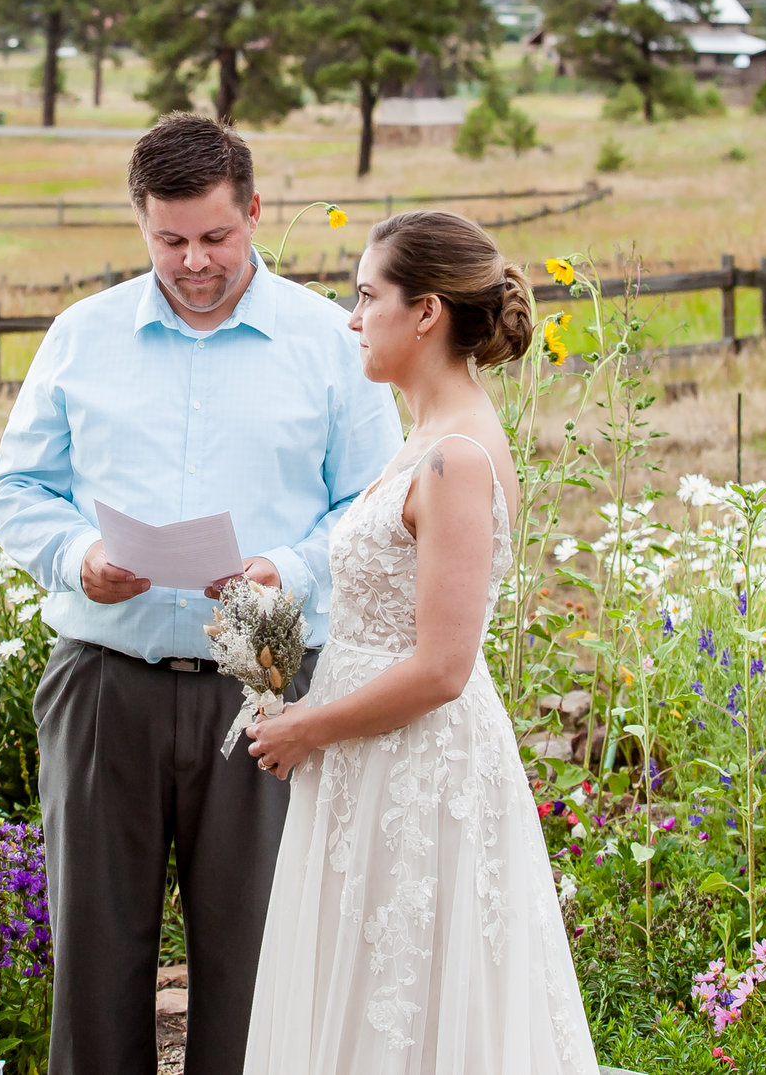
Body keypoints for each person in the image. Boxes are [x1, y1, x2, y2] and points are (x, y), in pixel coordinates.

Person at [0, 113, 403, 1075]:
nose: (194, 260)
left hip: (268, 679)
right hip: (102, 678)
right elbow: (17, 488)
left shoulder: (326, 342)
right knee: (94, 961)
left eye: (215, 236)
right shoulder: (82, 335)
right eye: (169, 239)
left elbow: (375, 509)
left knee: (258, 959)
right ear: (140, 222)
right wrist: (78, 553)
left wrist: (287, 571)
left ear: (254, 211)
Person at [242, 210, 599, 1074]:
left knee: (410, 1002)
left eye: (368, 296)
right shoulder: (424, 439)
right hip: (370, 762)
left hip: (415, 763)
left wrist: (307, 727)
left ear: (427, 310)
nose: (352, 317)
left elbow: (443, 665)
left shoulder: (458, 459)